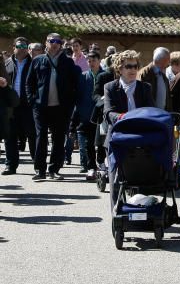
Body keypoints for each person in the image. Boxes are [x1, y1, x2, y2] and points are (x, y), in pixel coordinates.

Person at [25, 33, 81, 181]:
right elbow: (29, 83)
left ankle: (54, 169)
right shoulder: (38, 60)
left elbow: (75, 85)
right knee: (41, 137)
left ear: (61, 44)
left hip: (61, 108)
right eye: (52, 41)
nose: (55, 43)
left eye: (58, 41)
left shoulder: (68, 62)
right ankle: (40, 170)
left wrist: (70, 104)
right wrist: (32, 100)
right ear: (46, 43)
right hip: (40, 107)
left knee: (58, 139)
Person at [4, 37, 36, 171]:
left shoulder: (34, 63)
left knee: (33, 135)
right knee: (9, 135)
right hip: (10, 105)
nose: (22, 49)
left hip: (28, 105)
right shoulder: (6, 64)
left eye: (24, 46)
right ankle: (10, 165)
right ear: (13, 47)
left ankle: (38, 165)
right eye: (19, 46)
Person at [75, 51, 106, 179]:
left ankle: (101, 163)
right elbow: (78, 96)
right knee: (89, 143)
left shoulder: (105, 76)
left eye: (94, 60)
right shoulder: (83, 77)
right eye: (89, 61)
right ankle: (91, 167)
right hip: (87, 115)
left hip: (102, 115)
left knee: (102, 142)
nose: (91, 63)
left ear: (99, 61)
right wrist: (79, 113)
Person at [103, 50, 153, 128]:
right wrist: (125, 118)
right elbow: (108, 113)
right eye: (129, 67)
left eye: (135, 66)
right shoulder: (110, 87)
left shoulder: (146, 87)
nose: (133, 70)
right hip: (118, 130)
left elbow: (150, 110)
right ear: (120, 69)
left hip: (140, 130)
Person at [138, 47, 173, 112]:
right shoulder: (144, 74)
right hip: (149, 115)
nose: (169, 63)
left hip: (162, 115)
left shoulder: (163, 76)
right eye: (168, 60)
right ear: (163, 60)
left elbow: (167, 98)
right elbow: (140, 98)